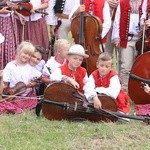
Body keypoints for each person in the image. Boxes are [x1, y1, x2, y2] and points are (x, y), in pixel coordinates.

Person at [111, 0, 146, 92]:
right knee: (126, 67)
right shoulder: (123, 3)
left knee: (139, 67)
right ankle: (124, 93)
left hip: (141, 39)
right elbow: (117, 21)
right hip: (127, 39)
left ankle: (137, 92)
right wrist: (117, 38)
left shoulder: (145, 2)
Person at [0, 41, 42, 114]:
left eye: (29, 55)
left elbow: (38, 79)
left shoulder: (30, 67)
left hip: (26, 96)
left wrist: (32, 84)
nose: (26, 56)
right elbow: (5, 83)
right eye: (25, 53)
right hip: (12, 94)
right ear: (19, 51)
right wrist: (8, 92)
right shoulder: (10, 66)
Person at [84, 52, 130, 116]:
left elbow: (113, 93)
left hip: (115, 100)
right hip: (97, 99)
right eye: (101, 65)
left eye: (107, 66)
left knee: (118, 115)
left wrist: (98, 89)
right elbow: (88, 87)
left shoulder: (114, 76)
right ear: (97, 64)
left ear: (111, 67)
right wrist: (94, 97)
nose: (103, 69)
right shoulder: (93, 75)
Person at [0, 3, 19, 69]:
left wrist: (18, 14)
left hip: (10, 20)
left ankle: (9, 70)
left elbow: (13, 5)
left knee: (9, 46)